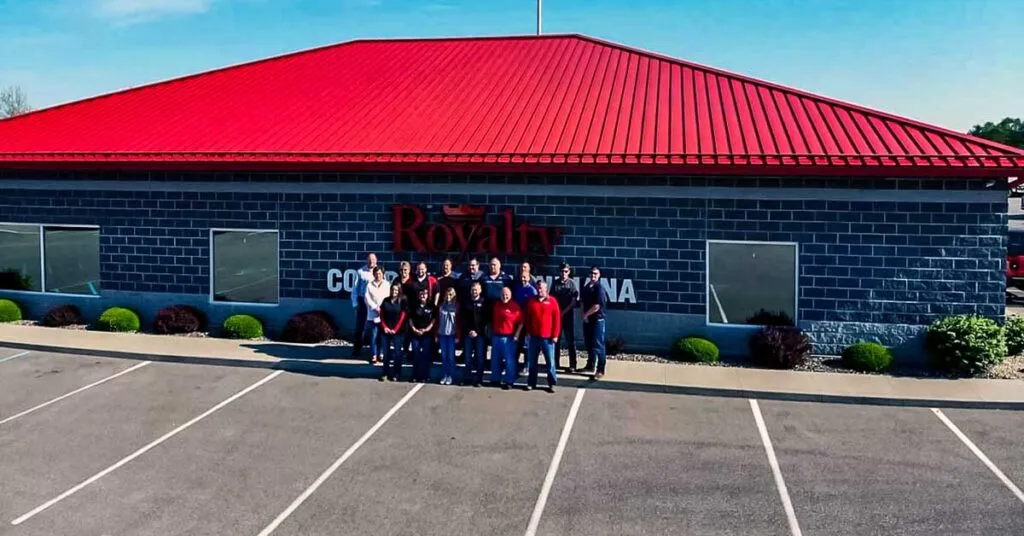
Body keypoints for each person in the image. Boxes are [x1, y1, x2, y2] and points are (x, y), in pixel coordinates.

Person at [525, 280, 561, 392]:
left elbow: (557, 319)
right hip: (534, 337)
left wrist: (555, 335)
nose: (540, 290)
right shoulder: (532, 302)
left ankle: (552, 383)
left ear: (546, 289)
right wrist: (528, 332)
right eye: (538, 288)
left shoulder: (552, 301)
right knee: (532, 362)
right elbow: (528, 319)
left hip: (548, 338)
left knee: (550, 362)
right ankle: (531, 383)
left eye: (542, 288)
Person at [490, 286, 522, 390]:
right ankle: (495, 379)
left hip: (509, 338)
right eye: (503, 295)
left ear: (510, 295)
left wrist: (517, 334)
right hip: (496, 336)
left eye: (507, 295)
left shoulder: (515, 306)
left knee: (509, 360)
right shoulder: (497, 305)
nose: (505, 296)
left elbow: (521, 322)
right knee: (495, 359)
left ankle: (509, 381)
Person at [581, 265, 609, 379]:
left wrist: (586, 314)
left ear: (599, 275)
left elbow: (597, 306)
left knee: (598, 345)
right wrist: (584, 315)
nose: (593, 276)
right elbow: (582, 301)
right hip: (588, 320)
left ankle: (600, 370)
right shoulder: (587, 287)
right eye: (592, 273)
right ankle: (590, 365)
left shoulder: (599, 288)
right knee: (589, 344)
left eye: (595, 274)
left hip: (597, 320)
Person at [551, 262, 579, 372]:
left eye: (566, 271)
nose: (564, 273)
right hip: (557, 317)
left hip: (568, 317)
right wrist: (557, 312)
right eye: (562, 271)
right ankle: (555, 362)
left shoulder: (572, 284)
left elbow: (573, 302)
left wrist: (563, 312)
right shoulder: (555, 283)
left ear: (569, 272)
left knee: (570, 341)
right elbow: (552, 299)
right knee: (556, 340)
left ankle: (573, 364)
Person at [378, 282, 407, 382]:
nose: (394, 292)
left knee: (397, 353)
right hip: (385, 331)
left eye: (396, 290)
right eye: (392, 289)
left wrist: (396, 329)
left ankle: (397, 373)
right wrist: (385, 327)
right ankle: (385, 373)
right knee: (386, 353)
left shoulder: (402, 301)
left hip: (398, 332)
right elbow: (381, 315)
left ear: (399, 291)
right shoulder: (385, 300)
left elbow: (403, 316)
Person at [460, 281, 488, 386]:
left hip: (480, 335)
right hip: (468, 334)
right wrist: (469, 331)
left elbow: (486, 320)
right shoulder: (466, 302)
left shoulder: (484, 302)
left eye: (476, 289)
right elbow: (463, 319)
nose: (474, 291)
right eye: (472, 290)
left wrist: (478, 331)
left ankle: (478, 379)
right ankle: (467, 378)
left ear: (480, 290)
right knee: (467, 357)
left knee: (480, 358)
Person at [510, 264, 538, 371]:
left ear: (529, 277)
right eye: (522, 277)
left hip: (528, 320)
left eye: (525, 277)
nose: (523, 279)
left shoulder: (532, 290)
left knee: (527, 344)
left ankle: (527, 364)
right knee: (517, 342)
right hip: (517, 318)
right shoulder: (516, 287)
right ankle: (515, 364)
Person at [350, 253, 377, 358]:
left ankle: (374, 352)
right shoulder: (361, 272)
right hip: (363, 302)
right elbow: (355, 289)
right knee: (360, 327)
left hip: (374, 302)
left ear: (376, 260)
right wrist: (355, 303)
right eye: (370, 259)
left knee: (374, 328)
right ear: (367, 260)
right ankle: (357, 350)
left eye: (373, 259)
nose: (371, 262)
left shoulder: (378, 271)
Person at [408, 287, 436, 383]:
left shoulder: (431, 306)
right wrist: (414, 329)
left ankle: (425, 375)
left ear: (428, 295)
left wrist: (425, 330)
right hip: (415, 333)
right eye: (421, 294)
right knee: (415, 354)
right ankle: (415, 375)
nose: (423, 296)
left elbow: (433, 321)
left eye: (425, 294)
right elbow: (410, 319)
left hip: (427, 334)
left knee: (425, 355)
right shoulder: (414, 306)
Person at [363, 266, 389, 364]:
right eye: (376, 273)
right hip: (373, 314)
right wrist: (375, 307)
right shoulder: (369, 285)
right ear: (374, 274)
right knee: (373, 335)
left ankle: (381, 353)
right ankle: (374, 355)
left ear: (383, 274)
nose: (378, 275)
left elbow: (388, 297)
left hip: (383, 314)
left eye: (380, 274)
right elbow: (367, 298)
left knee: (382, 335)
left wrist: (382, 308)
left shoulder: (387, 285)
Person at [436, 287, 460, 385]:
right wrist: (436, 334)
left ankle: (450, 376)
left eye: (451, 294)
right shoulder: (441, 306)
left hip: (452, 335)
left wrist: (458, 336)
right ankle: (444, 375)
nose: (449, 297)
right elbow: (438, 321)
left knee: (451, 357)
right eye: (447, 294)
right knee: (444, 356)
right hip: (442, 334)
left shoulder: (457, 307)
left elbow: (459, 323)